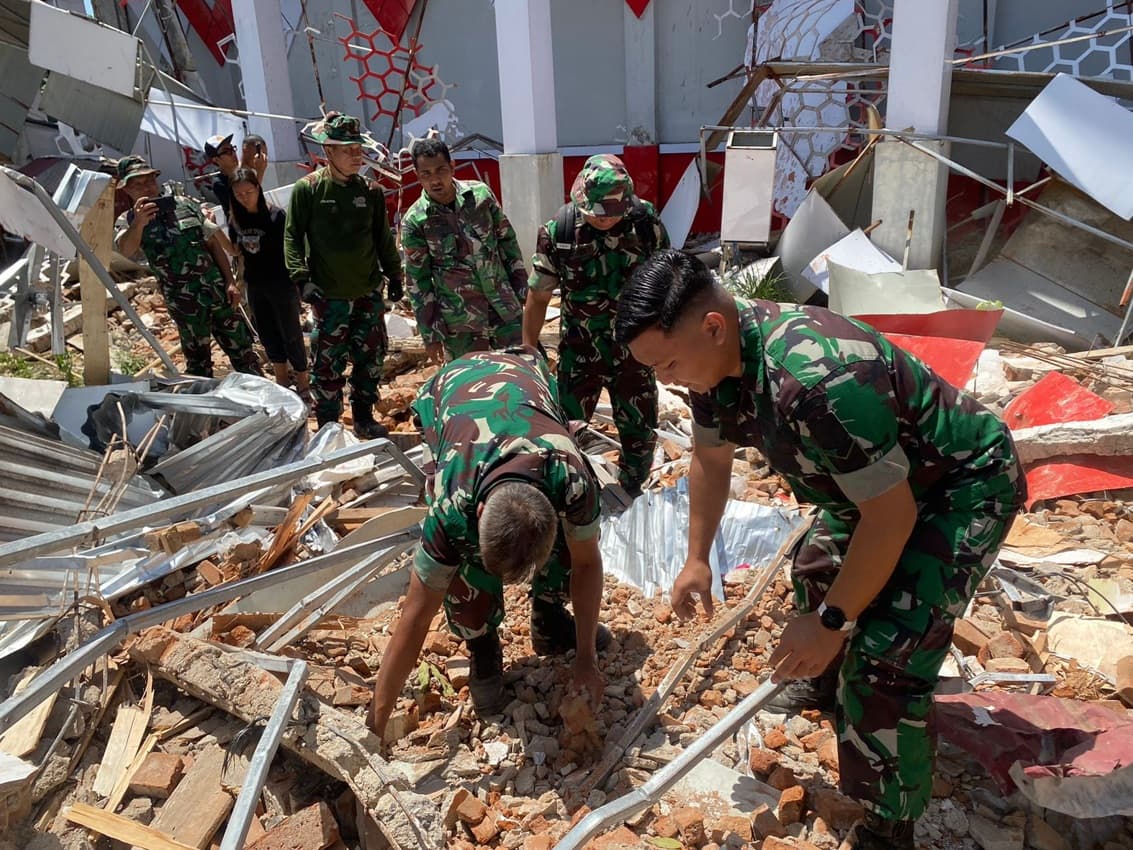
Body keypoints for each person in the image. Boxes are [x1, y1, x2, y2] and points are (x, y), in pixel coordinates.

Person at [613, 249, 1026, 850]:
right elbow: (708, 457)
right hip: (873, 492)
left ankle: (891, 817)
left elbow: (893, 517)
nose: (664, 379)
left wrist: (834, 622)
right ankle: (832, 689)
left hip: (959, 487)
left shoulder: (817, 380)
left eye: (667, 362)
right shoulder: (712, 367)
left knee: (886, 657)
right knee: (815, 568)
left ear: (712, 325)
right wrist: (698, 556)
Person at [367, 347, 610, 736]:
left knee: (575, 544)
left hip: (522, 376)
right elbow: (414, 618)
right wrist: (374, 728)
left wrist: (586, 660)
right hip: (451, 390)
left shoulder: (570, 477)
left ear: (552, 503)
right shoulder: (451, 507)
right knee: (461, 571)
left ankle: (549, 619)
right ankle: (482, 646)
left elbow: (587, 563)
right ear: (478, 513)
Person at [523, 154, 669, 495]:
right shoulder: (559, 230)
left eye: (614, 214)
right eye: (597, 214)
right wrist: (530, 348)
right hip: (581, 351)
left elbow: (667, 279)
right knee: (564, 434)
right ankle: (572, 496)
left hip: (637, 352)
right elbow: (538, 294)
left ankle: (632, 492)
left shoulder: (645, 223)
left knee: (640, 433)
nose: (605, 221)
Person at [283, 113, 404, 437]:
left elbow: (382, 238)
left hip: (367, 292)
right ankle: (328, 427)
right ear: (329, 151)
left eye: (358, 149)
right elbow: (292, 236)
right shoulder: (308, 190)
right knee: (328, 366)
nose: (356, 155)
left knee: (371, 358)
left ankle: (363, 416)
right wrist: (300, 278)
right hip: (329, 296)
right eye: (348, 149)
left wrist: (394, 275)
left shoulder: (371, 191)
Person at [114, 155, 261, 378]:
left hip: (218, 293)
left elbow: (212, 243)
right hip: (184, 303)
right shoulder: (129, 220)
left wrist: (230, 282)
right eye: (138, 184)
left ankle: (262, 403)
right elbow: (125, 250)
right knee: (198, 364)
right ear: (126, 188)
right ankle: (207, 409)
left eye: (149, 180)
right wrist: (139, 223)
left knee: (244, 353)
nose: (147, 187)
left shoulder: (184, 204)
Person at [401, 138, 527, 363]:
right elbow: (418, 283)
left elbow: (507, 242)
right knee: (471, 390)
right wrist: (431, 334)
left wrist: (521, 291)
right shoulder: (415, 221)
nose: (435, 180)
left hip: (505, 311)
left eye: (440, 170)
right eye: (426, 174)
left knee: (517, 379)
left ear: (452, 167)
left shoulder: (480, 197)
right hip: (461, 326)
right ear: (418, 175)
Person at [227, 167, 310, 402]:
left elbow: (292, 248)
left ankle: (303, 383)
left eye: (248, 192)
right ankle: (282, 381)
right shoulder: (236, 221)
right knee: (267, 334)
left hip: (281, 283)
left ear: (258, 189)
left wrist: (299, 279)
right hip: (255, 285)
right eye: (239, 194)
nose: (244, 197)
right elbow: (236, 251)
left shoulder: (276, 216)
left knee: (291, 332)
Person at [204, 133, 239, 214]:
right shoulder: (219, 183)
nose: (233, 154)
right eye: (226, 151)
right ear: (216, 160)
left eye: (232, 149)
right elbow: (243, 206)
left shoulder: (242, 173)